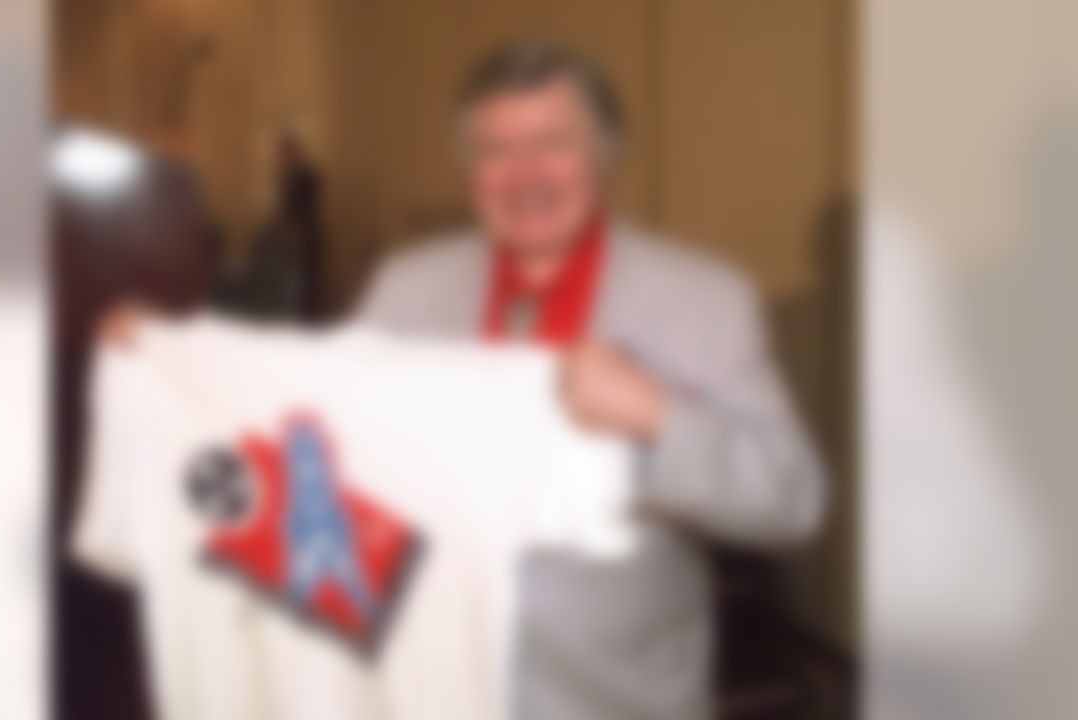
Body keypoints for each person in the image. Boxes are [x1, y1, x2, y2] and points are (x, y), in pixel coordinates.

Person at [354, 40, 825, 719]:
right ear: (469, 170)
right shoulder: (406, 291)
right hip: (434, 686)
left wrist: (659, 419)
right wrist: (166, 359)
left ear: (606, 155)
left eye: (553, 142)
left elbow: (794, 498)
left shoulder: (701, 299)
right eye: (495, 150)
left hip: (613, 699)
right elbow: (325, 439)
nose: (524, 176)